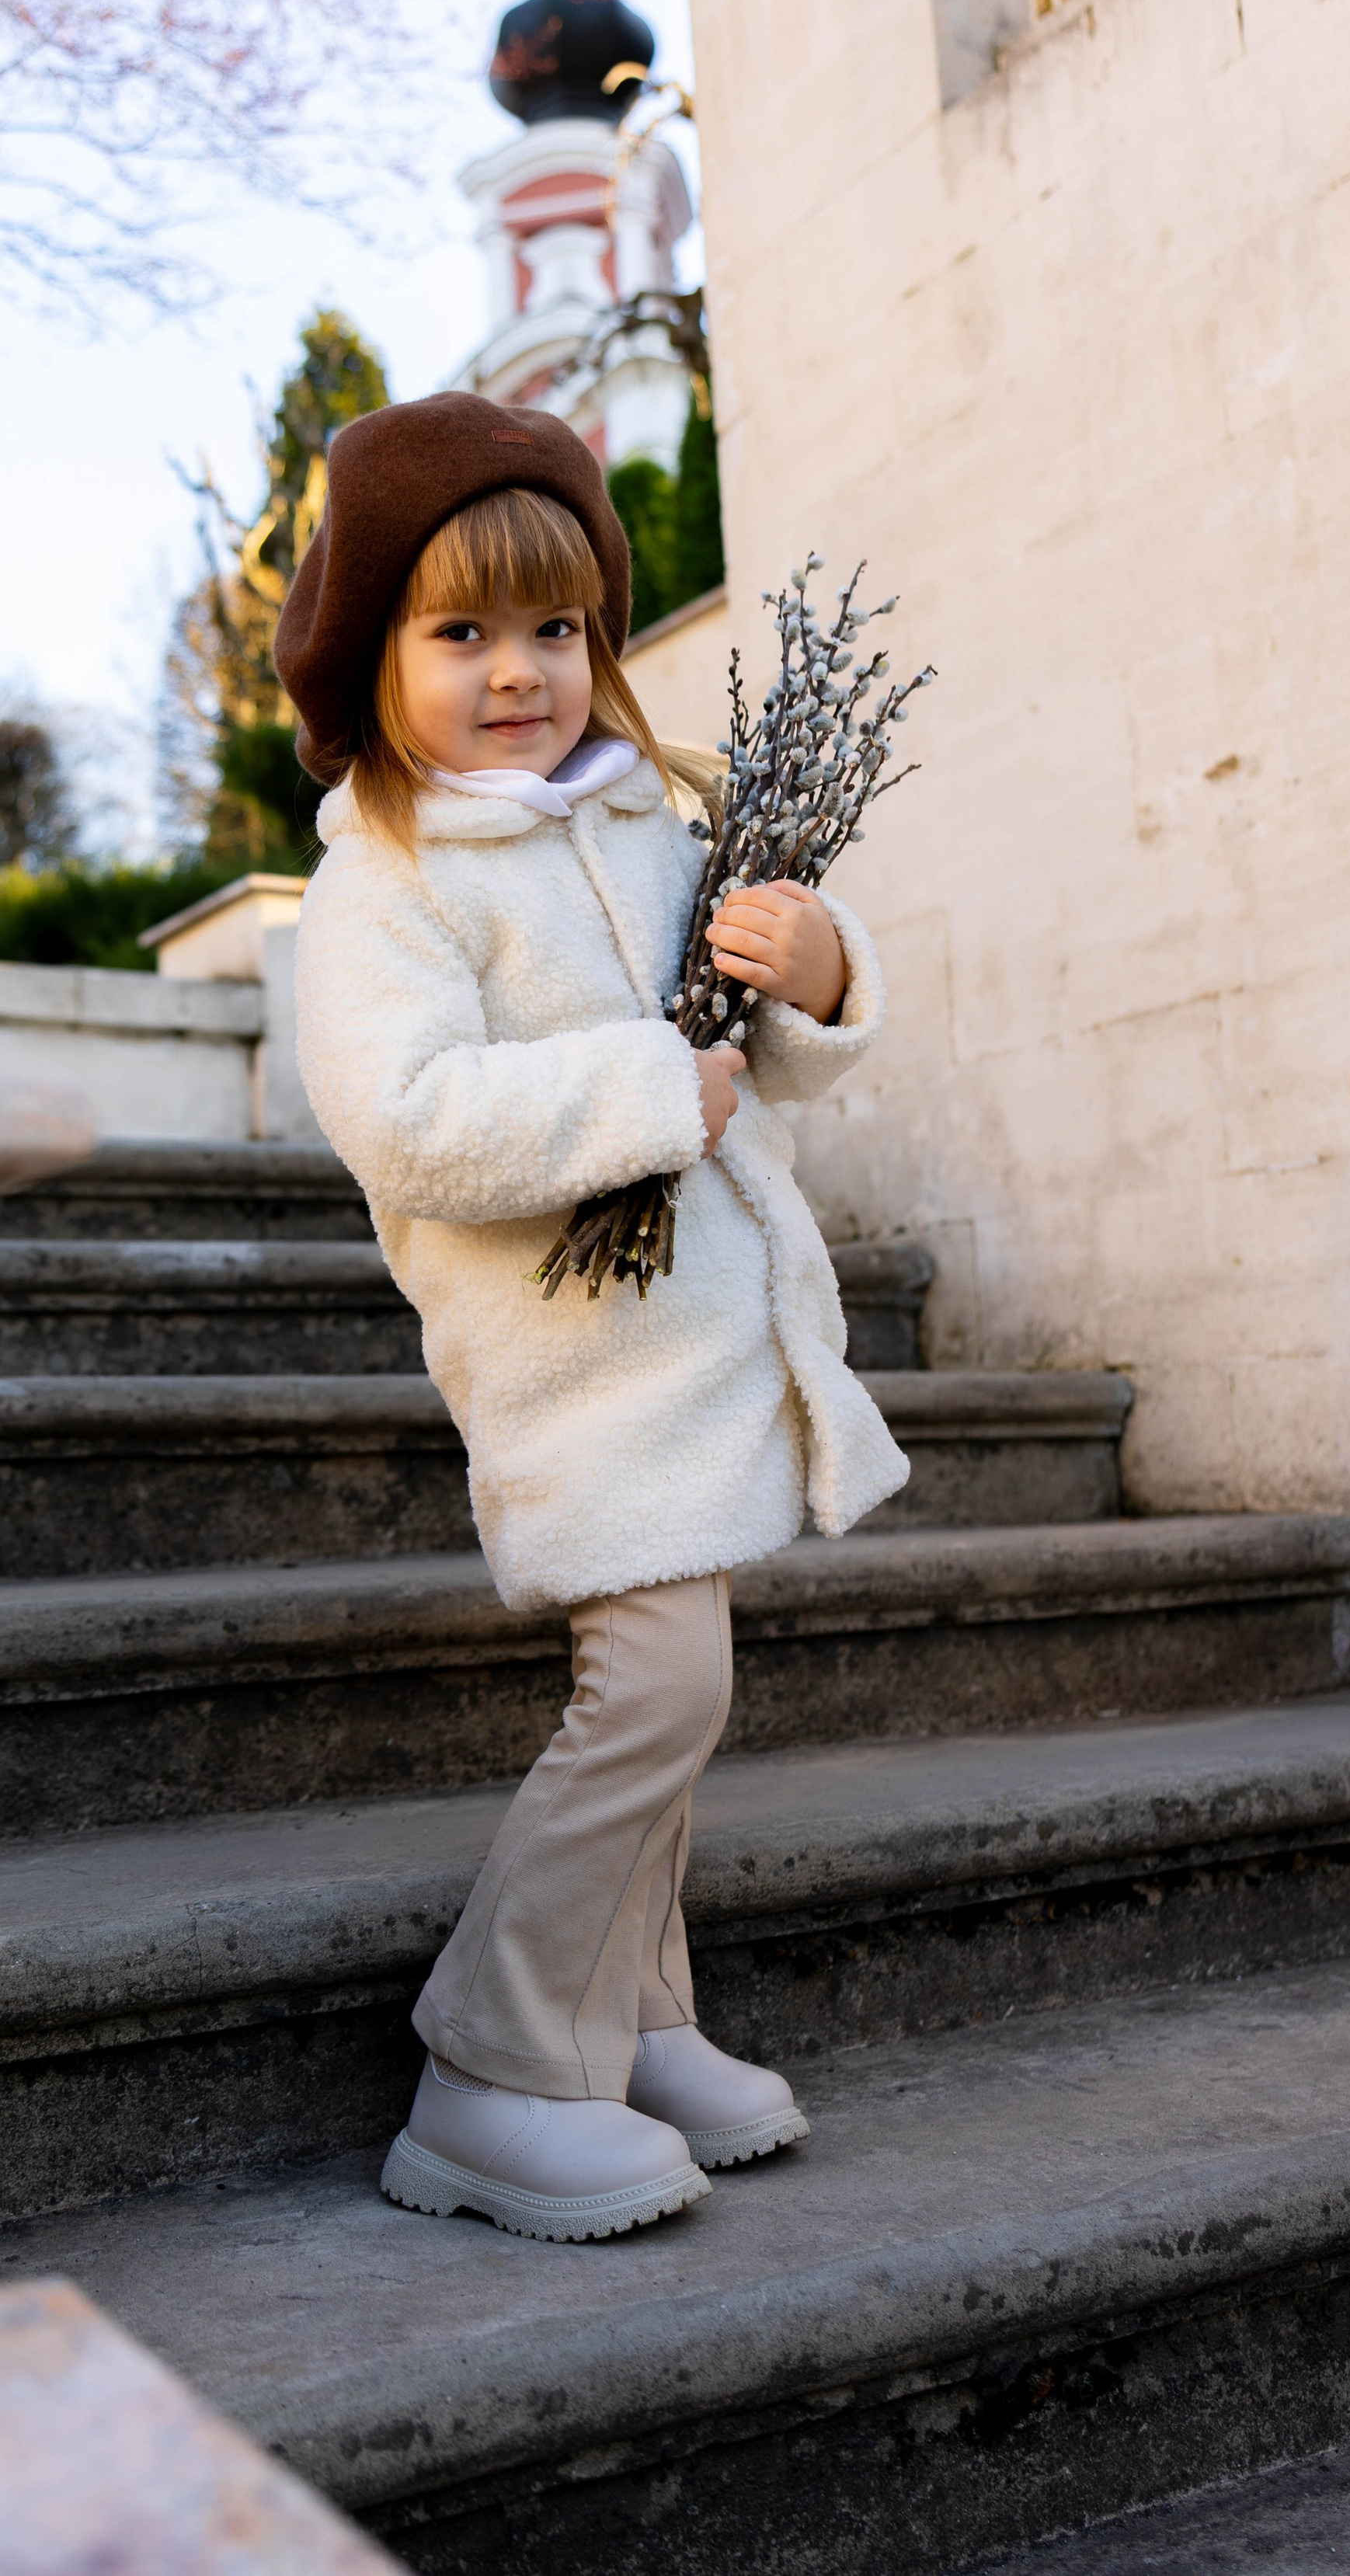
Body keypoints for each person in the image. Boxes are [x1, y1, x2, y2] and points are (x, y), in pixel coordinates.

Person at [278, 392, 909, 2244]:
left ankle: (633, 2020)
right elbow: (409, 1124)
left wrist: (816, 970)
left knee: (678, 1709)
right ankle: (488, 2070)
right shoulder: (380, 882)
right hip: (566, 1359)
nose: (517, 673)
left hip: (701, 1336)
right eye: (459, 632)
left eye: (554, 629)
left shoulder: (655, 815)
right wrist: (648, 1087)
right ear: (371, 648)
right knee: (652, 1692)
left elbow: (754, 1033)